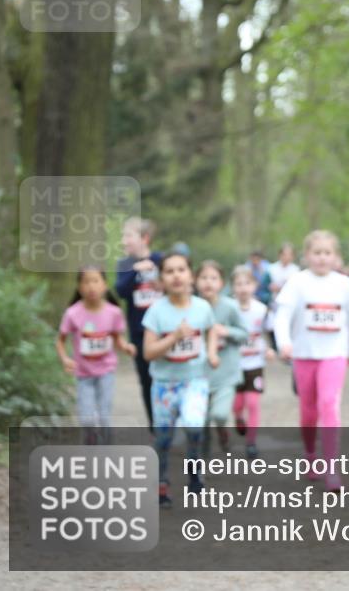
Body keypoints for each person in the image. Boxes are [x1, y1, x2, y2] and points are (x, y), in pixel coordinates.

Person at [274, 230, 349, 491]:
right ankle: (310, 455)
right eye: (317, 252)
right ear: (307, 255)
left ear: (335, 257)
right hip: (304, 353)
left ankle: (332, 467)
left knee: (329, 405)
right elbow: (281, 316)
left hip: (335, 353)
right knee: (308, 412)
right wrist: (283, 342)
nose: (322, 258)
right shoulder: (297, 282)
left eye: (327, 253)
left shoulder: (344, 284)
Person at [142, 252, 220, 507]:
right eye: (169, 271)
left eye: (181, 270)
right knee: (164, 438)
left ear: (191, 276)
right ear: (161, 279)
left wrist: (211, 352)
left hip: (195, 380)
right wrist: (174, 337)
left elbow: (211, 331)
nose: (176, 276)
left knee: (195, 426)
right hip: (164, 385)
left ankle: (194, 470)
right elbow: (148, 352)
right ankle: (162, 481)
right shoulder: (156, 312)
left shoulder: (202, 307)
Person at [57, 267, 135, 444]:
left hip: (106, 372)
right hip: (83, 374)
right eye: (86, 282)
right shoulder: (73, 313)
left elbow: (117, 337)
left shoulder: (113, 312)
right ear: (79, 287)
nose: (91, 286)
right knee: (86, 419)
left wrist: (125, 347)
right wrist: (65, 358)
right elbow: (60, 340)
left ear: (104, 285)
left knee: (104, 416)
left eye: (96, 281)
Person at [195, 260, 248, 454]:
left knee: (219, 414)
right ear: (195, 280)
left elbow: (245, 334)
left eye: (213, 278)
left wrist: (225, 331)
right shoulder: (192, 306)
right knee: (202, 420)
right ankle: (202, 462)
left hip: (226, 372)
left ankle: (222, 430)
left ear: (222, 282)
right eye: (203, 278)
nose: (208, 282)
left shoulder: (230, 307)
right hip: (198, 373)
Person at [115, 217, 162, 430]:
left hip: (164, 331)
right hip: (138, 331)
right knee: (146, 379)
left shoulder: (161, 260)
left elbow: (178, 287)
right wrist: (136, 270)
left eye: (128, 236)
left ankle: (171, 421)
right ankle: (154, 424)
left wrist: (160, 283)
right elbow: (121, 291)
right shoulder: (124, 264)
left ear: (144, 238)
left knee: (166, 376)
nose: (124, 241)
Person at [231, 265, 273, 459]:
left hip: (255, 364)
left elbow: (270, 330)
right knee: (238, 404)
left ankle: (251, 442)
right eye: (238, 284)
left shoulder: (262, 309)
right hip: (234, 364)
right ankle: (239, 418)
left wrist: (272, 348)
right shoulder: (229, 309)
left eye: (247, 283)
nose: (243, 288)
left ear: (254, 286)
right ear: (232, 287)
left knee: (253, 403)